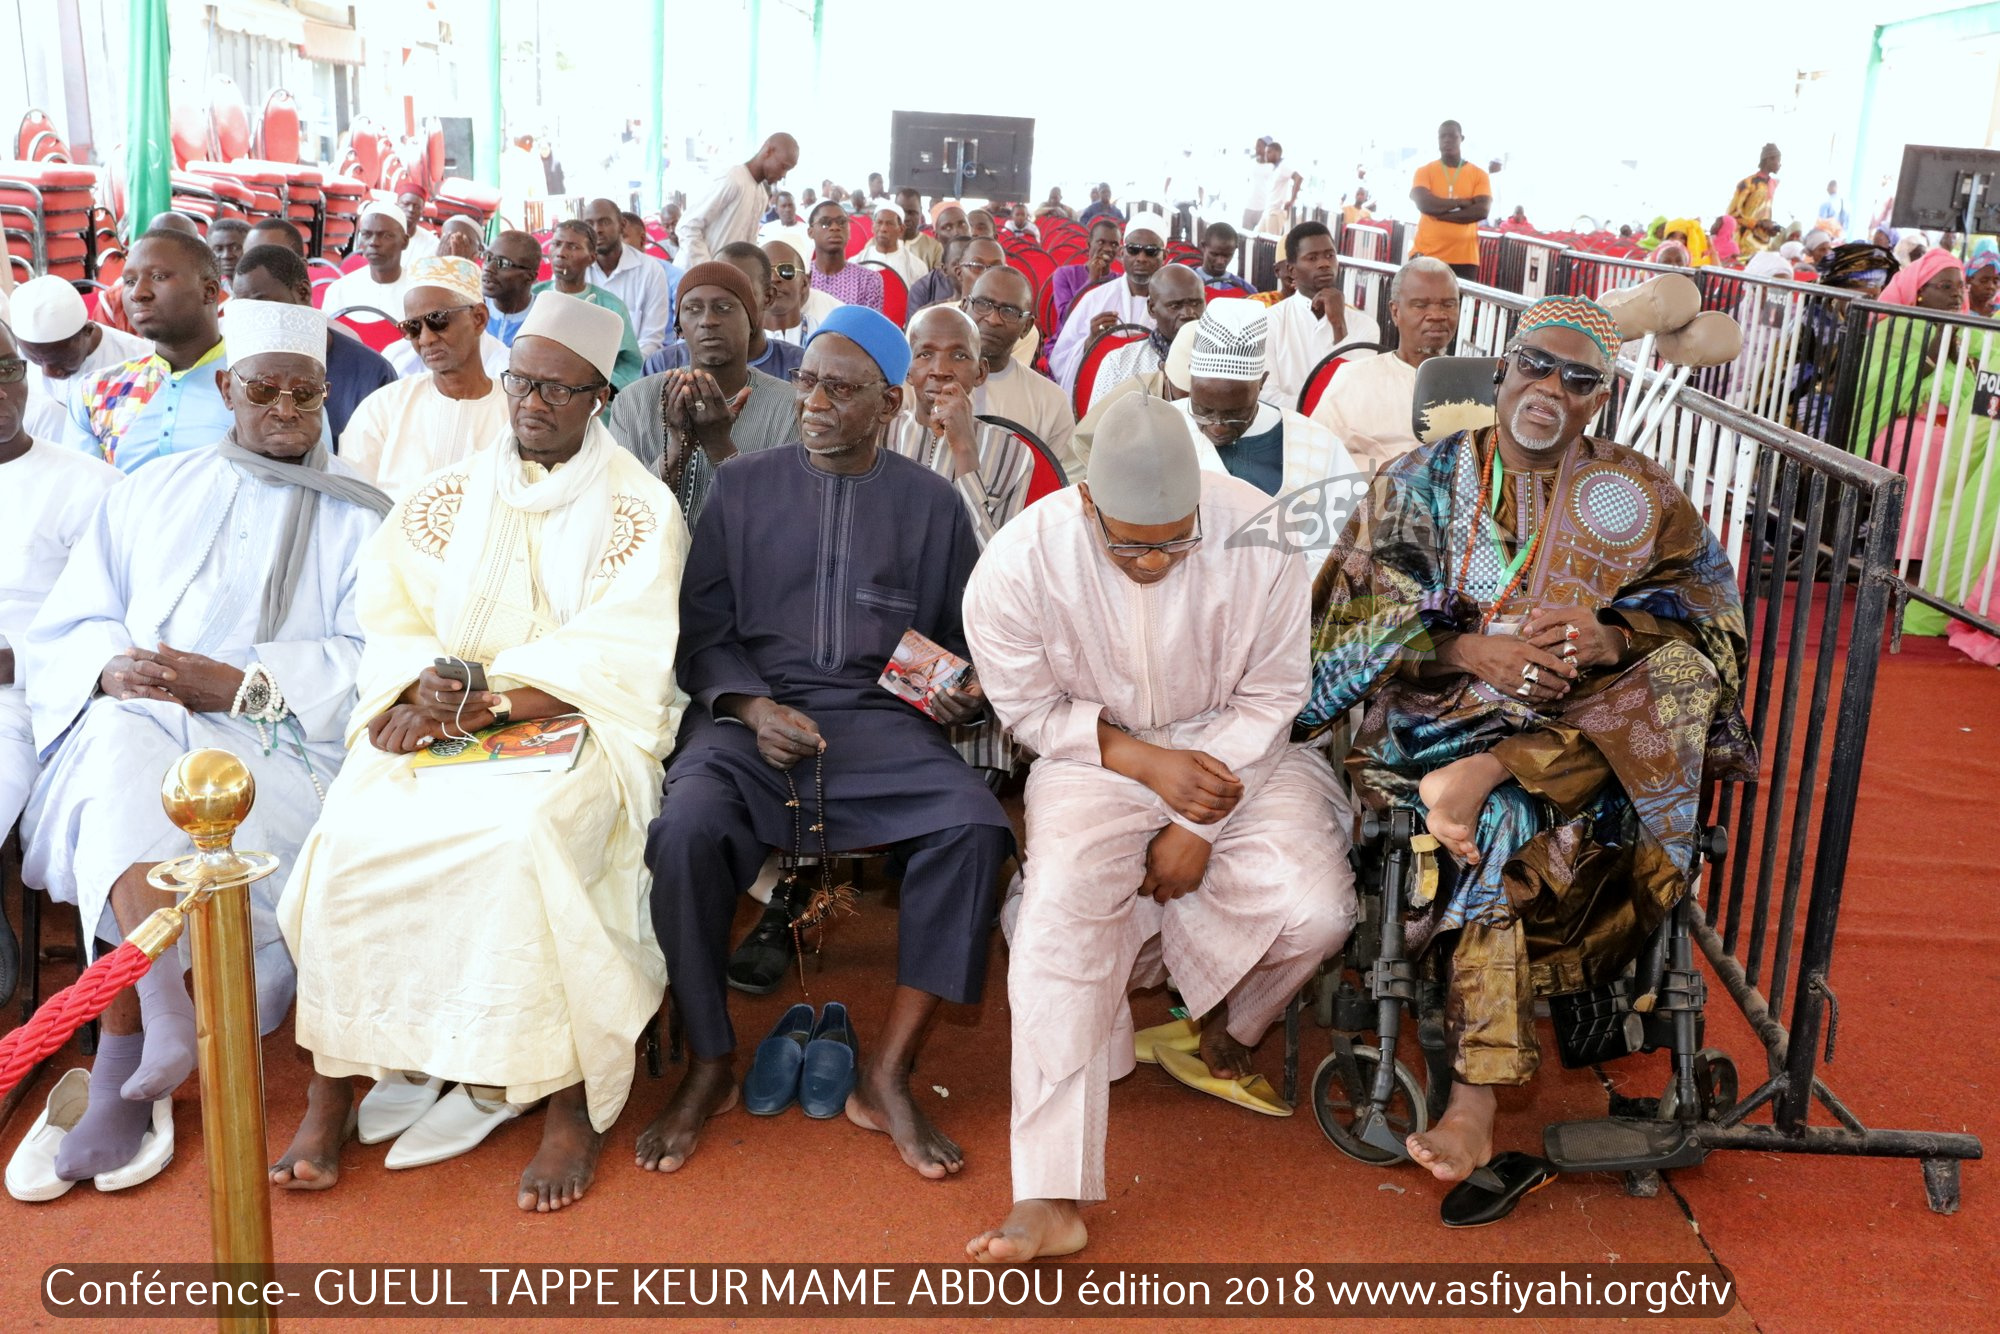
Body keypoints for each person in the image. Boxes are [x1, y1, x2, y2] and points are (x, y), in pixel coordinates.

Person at [1298, 295, 1755, 1191]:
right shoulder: (1420, 478)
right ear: (1501, 369)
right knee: (1506, 819)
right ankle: (1473, 1101)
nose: (1551, 388)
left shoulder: (1642, 495)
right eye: (1537, 365)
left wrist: (1613, 636)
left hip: (1580, 737)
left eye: (1579, 379)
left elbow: (1713, 629)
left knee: (1679, 687)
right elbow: (1348, 620)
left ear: (1601, 398)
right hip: (1440, 722)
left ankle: (1495, 773)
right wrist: (1472, 649)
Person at [275, 291, 689, 1210]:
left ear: (598, 400)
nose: (532, 403)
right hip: (445, 719)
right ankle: (334, 1086)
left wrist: (487, 704)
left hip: (578, 725)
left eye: (557, 389)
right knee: (347, 836)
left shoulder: (640, 509)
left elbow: (621, 658)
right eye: (521, 383)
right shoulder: (447, 494)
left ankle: (566, 1104)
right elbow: (390, 615)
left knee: (525, 843)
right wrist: (412, 689)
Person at [961, 393, 1356, 1263]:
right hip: (1090, 758)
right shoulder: (1021, 561)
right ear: (1087, 502)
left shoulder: (1256, 534)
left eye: (1176, 539)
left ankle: (1225, 1027)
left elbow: (1272, 698)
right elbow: (1028, 708)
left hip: (1242, 751)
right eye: (1131, 542)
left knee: (1314, 908)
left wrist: (1195, 826)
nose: (1153, 561)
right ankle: (1048, 1193)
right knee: (1059, 920)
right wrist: (1144, 765)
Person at [21, 299, 390, 1190]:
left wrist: (237, 686)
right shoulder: (151, 487)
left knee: (157, 777)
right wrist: (112, 671)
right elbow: (76, 620)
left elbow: (376, 659)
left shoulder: (365, 517)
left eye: (305, 396)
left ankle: (123, 1031)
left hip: (282, 741)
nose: (287, 412)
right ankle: (151, 1005)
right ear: (227, 387)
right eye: (264, 390)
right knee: (117, 739)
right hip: (142, 718)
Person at [639, 305, 1014, 1181]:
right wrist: (748, 704)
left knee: (974, 829)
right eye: (807, 380)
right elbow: (700, 629)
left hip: (877, 723)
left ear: (889, 404)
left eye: (839, 390)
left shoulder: (929, 506)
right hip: (750, 717)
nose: (812, 403)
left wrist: (954, 696)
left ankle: (887, 1075)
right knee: (686, 830)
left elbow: (951, 645)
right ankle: (709, 1061)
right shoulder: (743, 485)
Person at [0, 321, 122, 844]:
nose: (2, 391)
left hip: (23, 703)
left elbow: (116, 630)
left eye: (8, 369)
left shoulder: (90, 487)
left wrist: (13, 662)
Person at [609, 258, 798, 521]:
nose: (708, 320)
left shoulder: (788, 406)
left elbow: (780, 518)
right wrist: (677, 448)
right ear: (679, 327)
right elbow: (622, 512)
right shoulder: (634, 401)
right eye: (693, 309)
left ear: (752, 320)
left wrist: (720, 445)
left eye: (724, 307)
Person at [340, 257, 513, 495]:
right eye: (413, 327)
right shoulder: (383, 408)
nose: (425, 339)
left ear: (479, 318)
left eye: (437, 320)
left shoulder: (514, 414)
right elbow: (353, 504)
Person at [64, 229, 231, 472]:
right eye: (130, 281)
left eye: (159, 276)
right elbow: (83, 494)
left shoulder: (256, 387)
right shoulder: (96, 391)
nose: (139, 293)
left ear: (210, 291)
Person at [1174, 298, 1354, 506]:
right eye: (1203, 410)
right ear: (1191, 376)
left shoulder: (1317, 445)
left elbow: (1347, 528)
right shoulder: (1162, 429)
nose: (1218, 428)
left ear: (1261, 383)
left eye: (1235, 414)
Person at [884, 305, 1034, 546]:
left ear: (980, 372)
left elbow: (994, 566)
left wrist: (965, 451)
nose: (941, 370)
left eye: (959, 356)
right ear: (907, 370)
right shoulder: (880, 434)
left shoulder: (1013, 456)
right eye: (925, 354)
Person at [230, 244, 399, 448]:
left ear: (303, 291)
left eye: (260, 305)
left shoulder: (372, 372)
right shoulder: (239, 371)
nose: (252, 319)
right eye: (242, 309)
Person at [1311, 257, 1460, 471]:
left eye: (1448, 304)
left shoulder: (1473, 384)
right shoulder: (1354, 379)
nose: (1437, 315)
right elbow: (1316, 454)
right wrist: (1383, 468)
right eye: (1421, 305)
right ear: (1395, 311)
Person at [7, 275, 149, 444]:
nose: (48, 372)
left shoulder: (140, 361)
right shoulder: (12, 356)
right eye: (36, 360)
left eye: (59, 361)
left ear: (88, 331)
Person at [965, 268, 1077, 473]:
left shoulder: (1052, 401)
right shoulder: (921, 385)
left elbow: (1060, 485)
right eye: (983, 304)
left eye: (1008, 311)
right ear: (965, 307)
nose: (993, 319)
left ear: (1026, 327)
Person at [642, 241, 804, 383]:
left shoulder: (800, 366)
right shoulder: (663, 365)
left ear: (768, 297)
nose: (709, 319)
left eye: (740, 293)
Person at [1264, 221, 1381, 406]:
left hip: (1346, 433)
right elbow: (1267, 394)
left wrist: (1339, 326)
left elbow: (1358, 393)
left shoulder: (1366, 325)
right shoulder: (1270, 321)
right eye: (1312, 258)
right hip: (1287, 429)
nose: (1324, 264)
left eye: (1330, 255)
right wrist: (1321, 413)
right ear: (1292, 270)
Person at [1049, 212, 1171, 390]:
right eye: (1133, 250)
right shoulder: (1096, 298)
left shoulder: (1173, 305)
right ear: (1122, 253)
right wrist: (1090, 342)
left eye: (1151, 252)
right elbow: (1061, 357)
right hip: (1100, 393)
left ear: (1164, 256)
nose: (1141, 258)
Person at [534, 221, 645, 387]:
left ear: (591, 257)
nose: (561, 253)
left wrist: (587, 385)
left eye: (573, 247)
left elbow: (629, 368)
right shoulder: (535, 298)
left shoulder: (610, 307)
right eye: (556, 244)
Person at [1087, 264, 1204, 413]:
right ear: (1151, 309)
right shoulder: (1119, 363)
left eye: (1196, 303)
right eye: (1175, 306)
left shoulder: (1223, 358)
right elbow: (1097, 428)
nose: (1189, 313)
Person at [681, 133, 800, 267]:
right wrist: (708, 268)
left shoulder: (761, 194)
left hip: (724, 280)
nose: (784, 175)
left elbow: (747, 247)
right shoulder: (733, 179)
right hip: (694, 277)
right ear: (768, 151)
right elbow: (688, 226)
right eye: (784, 167)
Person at [580, 198, 673, 362]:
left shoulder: (650, 270)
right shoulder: (578, 268)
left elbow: (651, 340)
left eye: (605, 222)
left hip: (633, 376)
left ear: (622, 225)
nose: (597, 230)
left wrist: (623, 375)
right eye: (589, 223)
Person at [1409, 121, 1492, 280]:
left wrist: (1440, 215)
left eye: (1452, 136)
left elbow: (1481, 211)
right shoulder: (1424, 171)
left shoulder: (1479, 174)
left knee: (1457, 305)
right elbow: (1425, 204)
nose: (1447, 140)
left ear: (1462, 138)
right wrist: (1461, 203)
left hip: (1464, 259)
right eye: (1442, 136)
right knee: (1423, 303)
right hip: (1427, 255)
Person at [322, 202, 416, 329]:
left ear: (404, 242)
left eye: (386, 236)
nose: (374, 242)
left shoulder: (418, 292)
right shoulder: (339, 290)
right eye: (367, 234)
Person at [803, 200, 885, 313]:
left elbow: (868, 328)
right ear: (810, 232)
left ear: (849, 231)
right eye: (825, 223)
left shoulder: (868, 280)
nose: (835, 227)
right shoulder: (801, 279)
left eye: (842, 222)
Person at [1050, 219, 1123, 329]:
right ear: (1089, 244)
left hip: (1105, 339)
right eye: (1101, 242)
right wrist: (1092, 281)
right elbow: (1066, 318)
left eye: (1114, 244)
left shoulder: (1120, 281)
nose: (1108, 249)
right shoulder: (1064, 274)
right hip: (1070, 340)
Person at [482, 229, 543, 347]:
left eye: (503, 263)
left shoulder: (541, 320)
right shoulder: (471, 310)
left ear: (530, 277)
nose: (489, 268)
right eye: (488, 258)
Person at [862, 206, 931, 288]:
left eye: (889, 224)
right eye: (879, 223)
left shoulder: (918, 267)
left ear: (901, 229)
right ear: (872, 227)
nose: (883, 228)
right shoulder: (857, 261)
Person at [907, 236, 976, 312]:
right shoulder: (931, 312)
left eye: (975, 264)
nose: (967, 270)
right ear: (945, 270)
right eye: (958, 264)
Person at [1727, 144, 1781, 238]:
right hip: (1744, 240)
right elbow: (1733, 214)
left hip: (1763, 240)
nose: (1779, 164)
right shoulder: (1748, 183)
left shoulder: (1772, 184)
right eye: (1778, 160)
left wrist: (1771, 226)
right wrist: (1758, 223)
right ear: (1769, 159)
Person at [1196, 222, 1253, 294]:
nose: (1220, 261)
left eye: (1227, 256)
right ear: (1203, 246)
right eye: (1214, 254)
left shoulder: (1246, 289)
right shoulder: (1185, 280)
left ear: (1235, 250)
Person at [207, 219, 250, 283]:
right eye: (218, 249)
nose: (226, 256)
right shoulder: (211, 289)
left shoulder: (268, 287)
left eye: (235, 248)